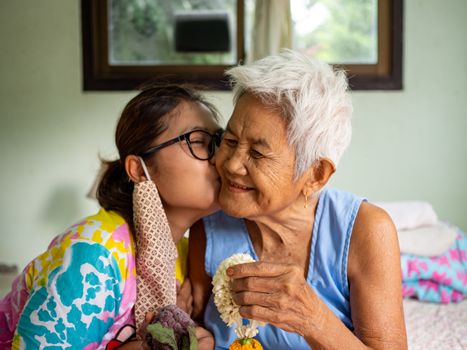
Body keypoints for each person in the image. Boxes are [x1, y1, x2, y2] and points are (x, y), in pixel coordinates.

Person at [189, 50, 408, 350]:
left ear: (316, 174)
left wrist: (314, 320)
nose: (230, 164)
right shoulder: (208, 225)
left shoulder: (367, 230)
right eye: (229, 140)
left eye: (257, 153)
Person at [0, 84, 222, 349]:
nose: (219, 158)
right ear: (139, 170)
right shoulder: (92, 254)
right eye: (199, 142)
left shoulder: (192, 259)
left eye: (219, 142)